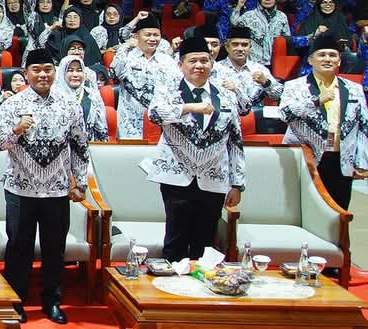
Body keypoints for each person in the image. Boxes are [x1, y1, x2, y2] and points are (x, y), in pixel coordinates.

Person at [0, 48, 91, 324]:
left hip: (57, 189)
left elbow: (80, 145)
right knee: (18, 247)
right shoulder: (13, 105)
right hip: (20, 188)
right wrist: (17, 129)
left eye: (47, 69)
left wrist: (80, 182)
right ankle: (16, 301)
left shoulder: (69, 103)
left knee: (54, 247)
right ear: (26, 74)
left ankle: (52, 301)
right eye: (36, 70)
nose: (43, 75)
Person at [143, 35, 245, 261]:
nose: (199, 65)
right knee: (176, 238)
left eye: (204, 60)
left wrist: (237, 183)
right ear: (181, 65)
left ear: (212, 63)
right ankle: (171, 289)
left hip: (214, 177)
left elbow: (235, 141)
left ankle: (200, 290)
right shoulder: (167, 91)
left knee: (205, 241)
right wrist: (189, 107)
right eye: (192, 61)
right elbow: (155, 115)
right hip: (177, 176)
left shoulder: (226, 95)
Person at [278, 32, 368, 211]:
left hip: (342, 159)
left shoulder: (354, 89)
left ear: (339, 61)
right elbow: (284, 114)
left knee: (339, 213)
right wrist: (316, 101)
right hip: (307, 159)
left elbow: (364, 127)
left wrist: (363, 161)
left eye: (333, 55)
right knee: (306, 211)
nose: (328, 59)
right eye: (322, 55)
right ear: (311, 60)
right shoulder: (294, 86)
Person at [110, 15, 174, 140]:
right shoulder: (127, 57)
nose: (152, 39)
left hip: (160, 124)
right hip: (130, 124)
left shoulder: (166, 60)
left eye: (156, 35)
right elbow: (114, 74)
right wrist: (125, 46)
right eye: (148, 35)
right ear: (136, 36)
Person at [212, 24, 281, 113]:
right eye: (235, 44)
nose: (240, 49)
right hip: (228, 115)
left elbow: (279, 96)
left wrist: (266, 83)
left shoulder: (259, 69)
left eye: (244, 45)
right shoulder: (216, 69)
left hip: (256, 118)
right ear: (227, 47)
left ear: (250, 48)